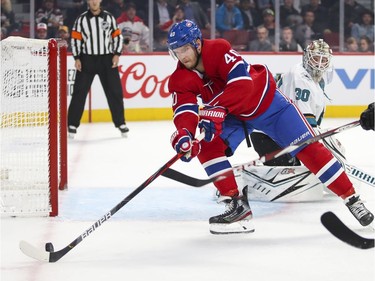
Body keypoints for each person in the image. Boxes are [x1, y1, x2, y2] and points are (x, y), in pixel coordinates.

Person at [166, 20, 373, 234]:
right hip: (235, 115)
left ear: (198, 44)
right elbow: (184, 109)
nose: (182, 56)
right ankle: (237, 207)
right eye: (177, 52)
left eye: (185, 49)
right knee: (207, 146)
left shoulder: (218, 49)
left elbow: (243, 84)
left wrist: (215, 108)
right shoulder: (180, 78)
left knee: (309, 148)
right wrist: (185, 134)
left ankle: (352, 199)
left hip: (269, 105)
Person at [68, 0, 129, 138]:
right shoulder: (81, 19)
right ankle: (72, 124)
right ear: (88, 2)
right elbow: (75, 39)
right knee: (79, 92)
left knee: (115, 92)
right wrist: (77, 57)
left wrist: (117, 54)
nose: (94, 2)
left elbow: (117, 37)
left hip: (107, 60)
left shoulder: (109, 17)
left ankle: (120, 123)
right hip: (86, 60)